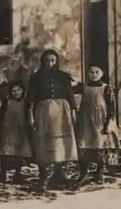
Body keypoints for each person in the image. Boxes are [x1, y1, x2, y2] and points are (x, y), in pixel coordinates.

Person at [25, 49, 78, 190]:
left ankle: (58, 173)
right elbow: (30, 98)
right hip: (43, 112)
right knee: (43, 142)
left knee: (60, 143)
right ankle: (43, 176)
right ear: (43, 62)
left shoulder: (63, 77)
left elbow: (70, 95)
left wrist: (73, 111)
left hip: (62, 112)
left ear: (56, 61)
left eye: (53, 60)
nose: (50, 63)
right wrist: (30, 115)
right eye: (47, 60)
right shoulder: (36, 78)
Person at [74, 66, 121, 186]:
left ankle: (99, 173)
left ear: (102, 74)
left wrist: (109, 121)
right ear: (88, 74)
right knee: (83, 145)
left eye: (97, 72)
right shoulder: (83, 87)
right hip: (85, 120)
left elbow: (111, 106)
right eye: (91, 72)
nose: (94, 74)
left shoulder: (106, 88)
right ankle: (83, 172)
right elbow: (70, 87)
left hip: (100, 120)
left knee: (99, 146)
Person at [0, 80, 33, 184]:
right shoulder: (7, 102)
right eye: (13, 90)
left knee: (19, 153)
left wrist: (29, 127)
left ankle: (18, 174)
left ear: (23, 90)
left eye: (19, 90)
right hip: (8, 130)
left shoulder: (26, 102)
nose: (16, 92)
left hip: (20, 130)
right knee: (6, 153)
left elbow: (28, 116)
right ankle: (3, 174)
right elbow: (1, 115)